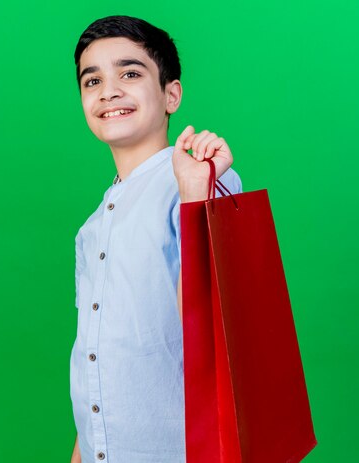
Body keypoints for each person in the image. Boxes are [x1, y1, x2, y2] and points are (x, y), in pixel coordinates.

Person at [69, 15, 243, 463]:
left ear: (171, 94)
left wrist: (192, 194)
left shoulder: (203, 179)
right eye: (93, 80)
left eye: (130, 73)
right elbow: (93, 361)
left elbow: (210, 325)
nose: (109, 91)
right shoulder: (91, 229)